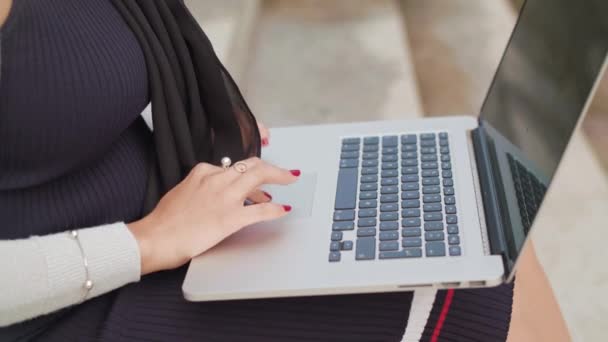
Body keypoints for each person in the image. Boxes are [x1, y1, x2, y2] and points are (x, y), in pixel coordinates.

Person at [0, 0, 569, 341]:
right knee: (479, 293)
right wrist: (148, 242)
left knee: (483, 216)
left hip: (163, 218)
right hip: (68, 307)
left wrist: (205, 129)